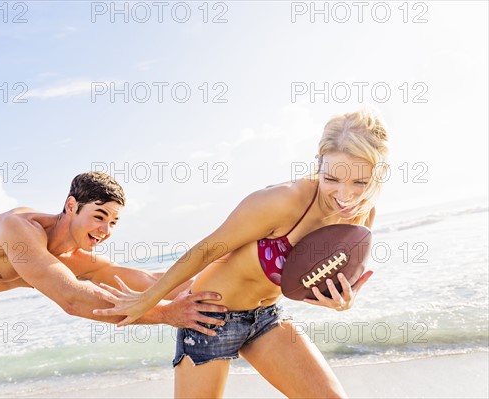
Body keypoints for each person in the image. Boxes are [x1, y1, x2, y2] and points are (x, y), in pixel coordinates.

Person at [94, 110, 390, 398]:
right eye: (332, 179)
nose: (345, 195)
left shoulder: (362, 215)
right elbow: (208, 249)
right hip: (209, 318)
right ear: (319, 163)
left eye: (360, 182)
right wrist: (148, 300)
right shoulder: (282, 201)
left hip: (268, 318)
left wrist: (342, 300)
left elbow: (324, 279)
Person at [0, 172, 227, 399]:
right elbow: (73, 299)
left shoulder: (77, 258)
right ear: (70, 206)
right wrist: (169, 315)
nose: (105, 230)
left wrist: (222, 284)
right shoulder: (19, 229)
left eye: (113, 222)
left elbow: (148, 280)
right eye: (98, 216)